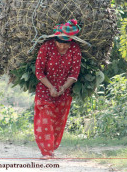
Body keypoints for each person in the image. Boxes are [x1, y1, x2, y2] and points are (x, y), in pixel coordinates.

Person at [34, 19, 82, 159]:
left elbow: (74, 73)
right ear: (54, 40)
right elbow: (39, 72)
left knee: (58, 121)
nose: (62, 46)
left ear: (71, 42)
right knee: (45, 119)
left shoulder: (74, 49)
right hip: (44, 90)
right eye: (60, 43)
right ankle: (46, 152)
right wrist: (51, 87)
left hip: (64, 92)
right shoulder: (46, 47)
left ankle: (52, 148)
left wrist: (62, 88)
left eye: (66, 43)